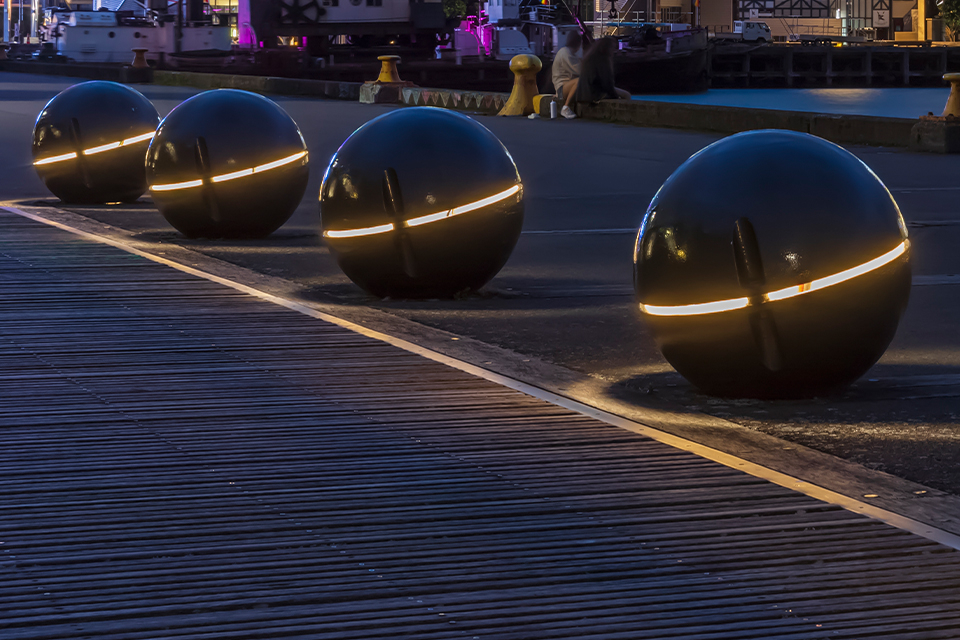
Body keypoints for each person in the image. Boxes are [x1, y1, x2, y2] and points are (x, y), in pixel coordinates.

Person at [572, 36, 630, 113]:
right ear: (607, 48)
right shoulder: (603, 60)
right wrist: (615, 97)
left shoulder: (590, 57)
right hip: (594, 93)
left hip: (584, 92)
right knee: (626, 95)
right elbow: (607, 83)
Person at [551, 30, 584, 120]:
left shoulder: (566, 52)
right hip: (562, 88)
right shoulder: (566, 53)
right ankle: (566, 107)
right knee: (580, 80)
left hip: (565, 86)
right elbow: (579, 70)